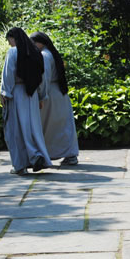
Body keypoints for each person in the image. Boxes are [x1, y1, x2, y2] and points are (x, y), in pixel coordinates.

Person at [0, 27, 53, 175]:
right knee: (32, 128)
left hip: (17, 94)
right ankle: (36, 155)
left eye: (9, 40)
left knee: (15, 129)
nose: (9, 44)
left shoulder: (13, 52)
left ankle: (20, 165)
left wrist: (5, 93)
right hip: (32, 95)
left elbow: (9, 73)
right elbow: (41, 78)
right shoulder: (36, 53)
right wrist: (41, 96)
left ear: (13, 38)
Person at [30, 31, 80, 166]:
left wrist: (42, 95)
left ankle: (51, 153)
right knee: (63, 125)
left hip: (50, 94)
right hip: (59, 93)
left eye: (33, 43)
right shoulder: (51, 53)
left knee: (49, 126)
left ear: (41, 42)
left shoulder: (44, 55)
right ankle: (70, 154)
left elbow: (44, 78)